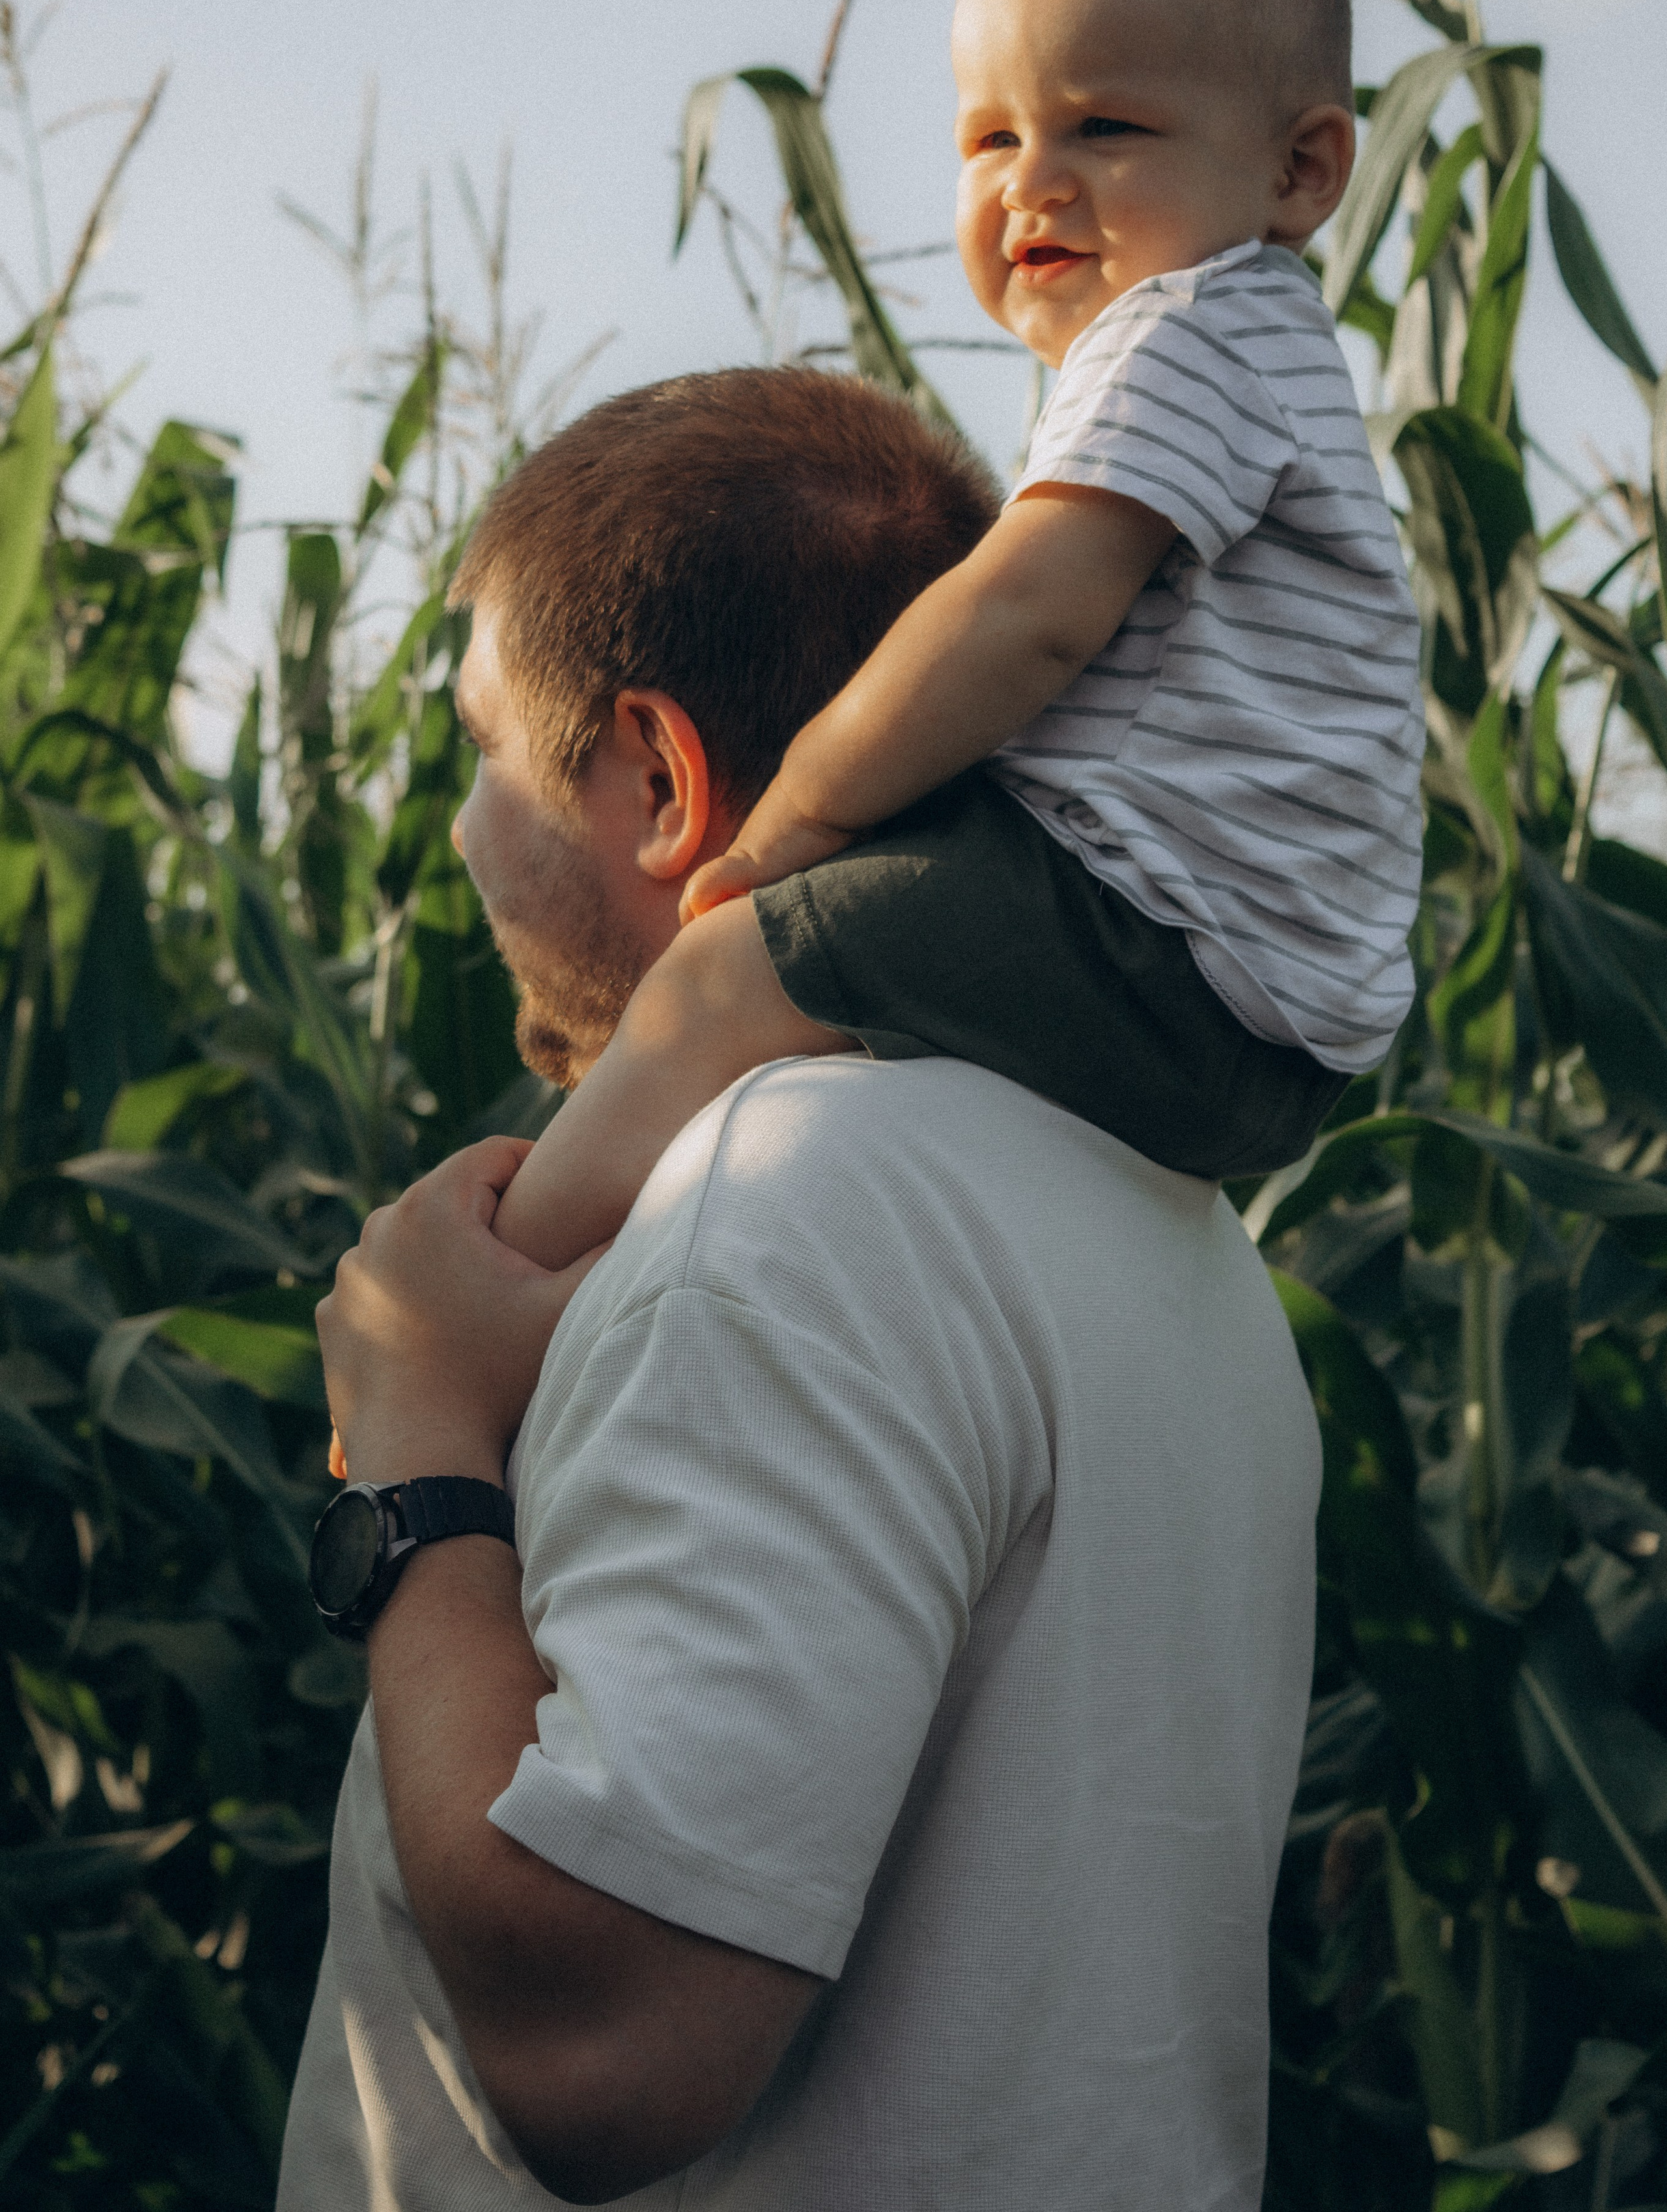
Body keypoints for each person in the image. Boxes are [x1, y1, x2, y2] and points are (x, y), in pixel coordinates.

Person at [279, 362, 1323, 2209]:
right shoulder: (1162, 1219)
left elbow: (604, 2055)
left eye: (483, 752)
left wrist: (417, 1461)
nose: (456, 834)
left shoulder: (788, 1203)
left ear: (657, 778)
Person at [482, 0, 1425, 1285]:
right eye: (990, 137)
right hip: (1259, 1004)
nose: (1031, 182)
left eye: (1104, 126)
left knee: (726, 971)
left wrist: (803, 808)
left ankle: (500, 1290)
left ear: (1301, 170)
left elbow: (1025, 616)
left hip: (1174, 954)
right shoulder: (1256, 349)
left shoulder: (1186, 333)